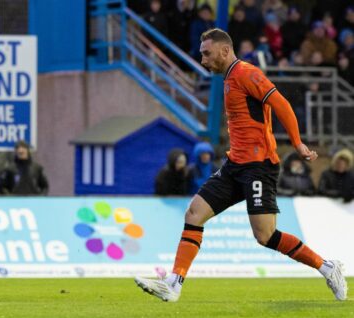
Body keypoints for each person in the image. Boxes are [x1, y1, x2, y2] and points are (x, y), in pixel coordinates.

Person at [134, 29, 347, 302]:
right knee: (194, 213)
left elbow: (281, 104)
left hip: (259, 166)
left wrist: (297, 144)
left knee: (265, 235)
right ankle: (174, 284)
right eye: (201, 54)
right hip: (236, 164)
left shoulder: (246, 73)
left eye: (207, 54)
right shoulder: (228, 79)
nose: (203, 60)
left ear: (225, 51)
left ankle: (328, 268)